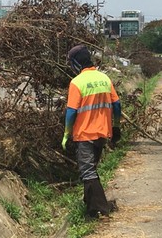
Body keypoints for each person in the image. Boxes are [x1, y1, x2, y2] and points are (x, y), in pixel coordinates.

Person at [62, 44, 121, 219]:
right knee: (91, 169)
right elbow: (116, 105)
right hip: (102, 133)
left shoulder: (77, 82)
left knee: (87, 172)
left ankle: (100, 208)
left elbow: (71, 111)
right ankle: (89, 205)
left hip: (85, 134)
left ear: (76, 63)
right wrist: (116, 126)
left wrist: (66, 134)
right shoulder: (104, 79)